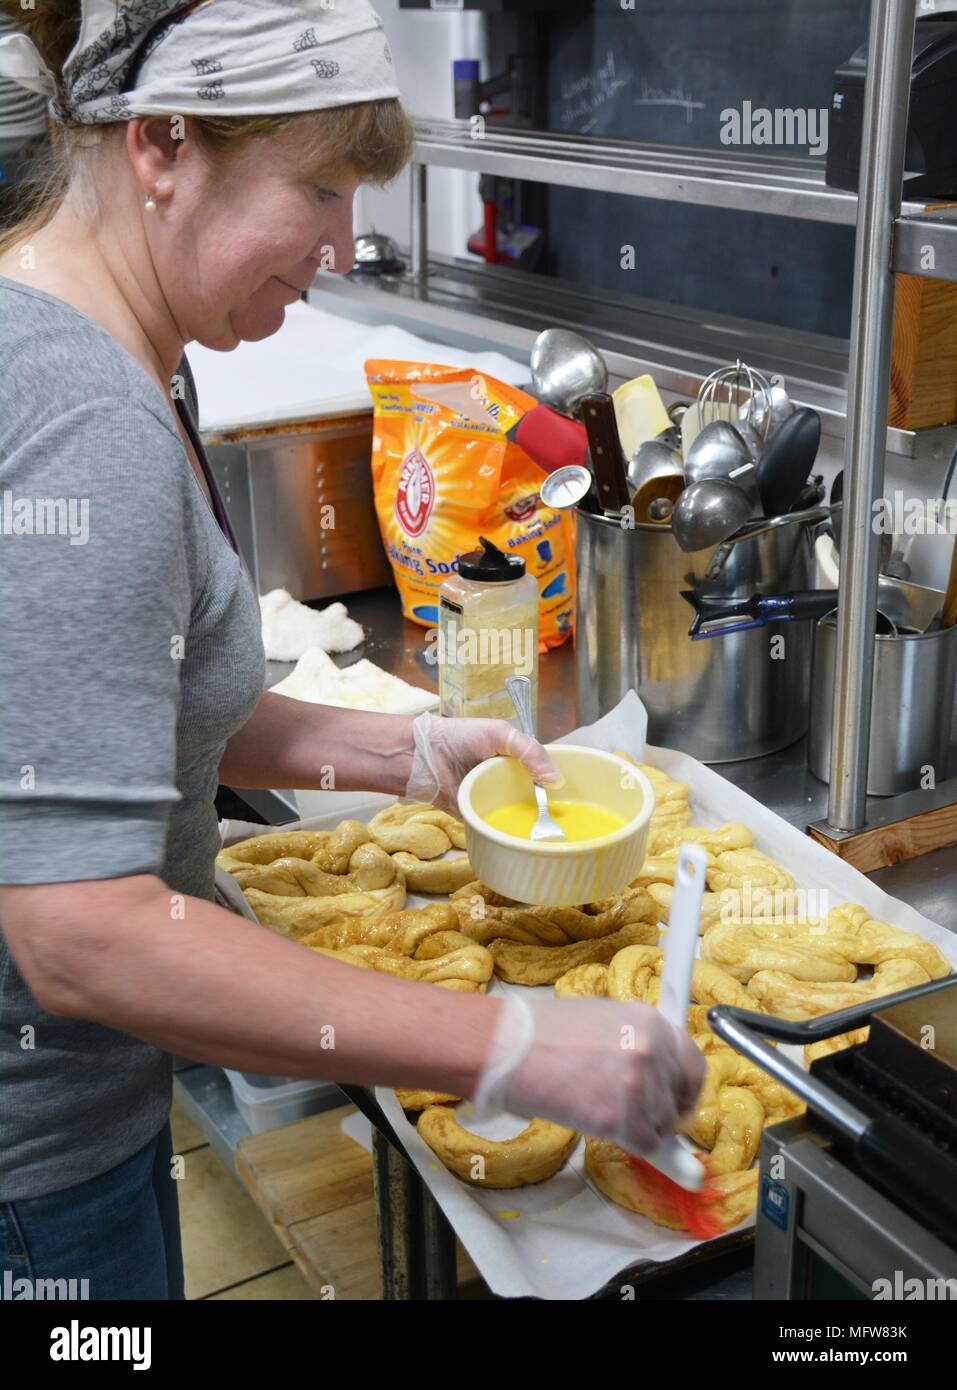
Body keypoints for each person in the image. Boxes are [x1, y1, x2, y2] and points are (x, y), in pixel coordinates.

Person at [0, 0, 705, 1299]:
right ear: (161, 144)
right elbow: (78, 930)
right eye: (318, 186)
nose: (340, 241)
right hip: (34, 1186)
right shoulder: (83, 422)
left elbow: (115, 705)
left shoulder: (120, 358)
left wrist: (406, 751)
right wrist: (508, 1045)